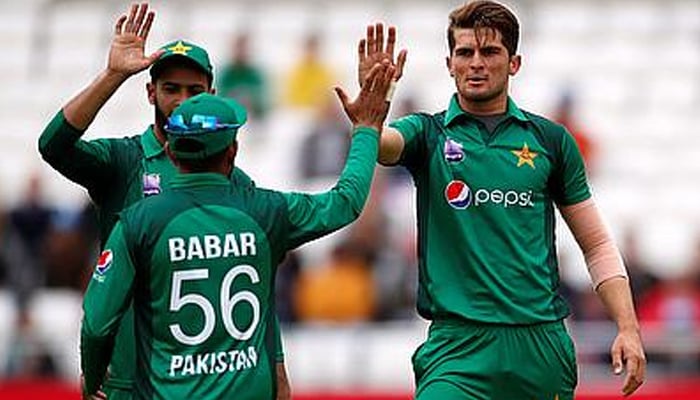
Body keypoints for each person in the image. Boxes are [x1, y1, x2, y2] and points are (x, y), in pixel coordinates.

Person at [356, 2, 646, 398]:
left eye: (489, 52)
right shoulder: (428, 134)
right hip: (457, 350)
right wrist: (370, 119)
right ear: (449, 63)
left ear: (514, 63)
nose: (476, 63)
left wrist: (627, 328)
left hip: (538, 346)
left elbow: (595, 245)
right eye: (465, 53)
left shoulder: (550, 141)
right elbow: (385, 147)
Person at [80, 58, 394, 399]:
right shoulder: (266, 211)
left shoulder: (136, 223)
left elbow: (97, 324)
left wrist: (93, 376)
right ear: (233, 150)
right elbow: (346, 202)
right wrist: (365, 128)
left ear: (170, 152)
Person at [37, 4, 291, 399]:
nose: (182, 101)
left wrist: (275, 364)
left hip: (205, 382)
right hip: (125, 381)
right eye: (171, 89)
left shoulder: (233, 178)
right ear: (150, 92)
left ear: (211, 93)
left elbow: (255, 280)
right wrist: (112, 75)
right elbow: (53, 145)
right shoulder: (123, 162)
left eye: (194, 90)